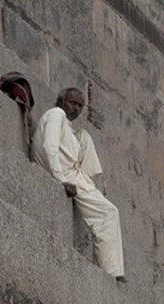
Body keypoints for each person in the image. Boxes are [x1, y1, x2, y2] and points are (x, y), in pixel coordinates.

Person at [31, 87, 125, 281]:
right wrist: (61, 180)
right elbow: (49, 147)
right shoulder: (56, 114)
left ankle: (112, 269)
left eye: (80, 106)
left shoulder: (70, 128)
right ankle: (112, 271)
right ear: (61, 101)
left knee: (85, 137)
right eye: (72, 103)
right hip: (63, 174)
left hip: (73, 173)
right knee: (109, 212)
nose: (76, 109)